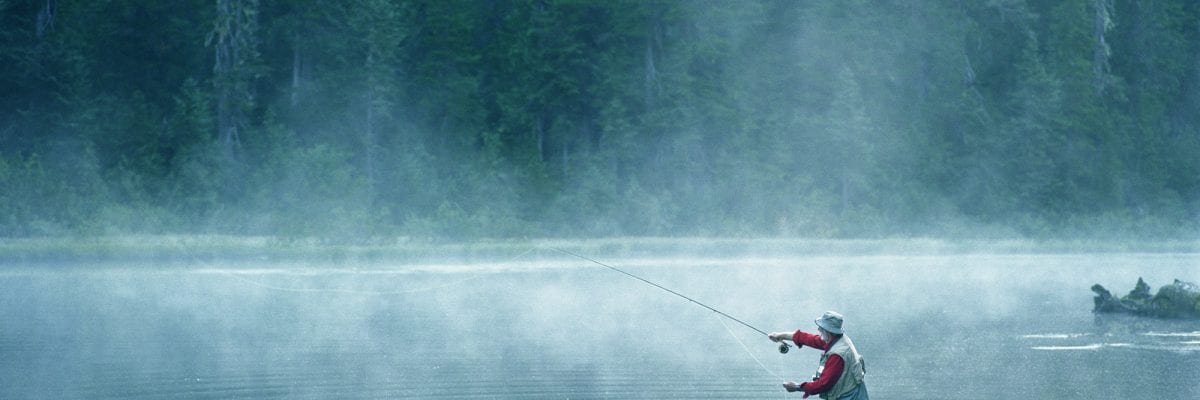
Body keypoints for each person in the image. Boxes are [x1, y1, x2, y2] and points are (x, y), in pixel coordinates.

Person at [768, 311, 868, 399]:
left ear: (828, 331)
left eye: (821, 328)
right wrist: (781, 335)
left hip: (850, 396)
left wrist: (797, 387)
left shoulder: (837, 355)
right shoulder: (836, 338)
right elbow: (811, 339)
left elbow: (823, 385)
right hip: (850, 391)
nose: (819, 329)